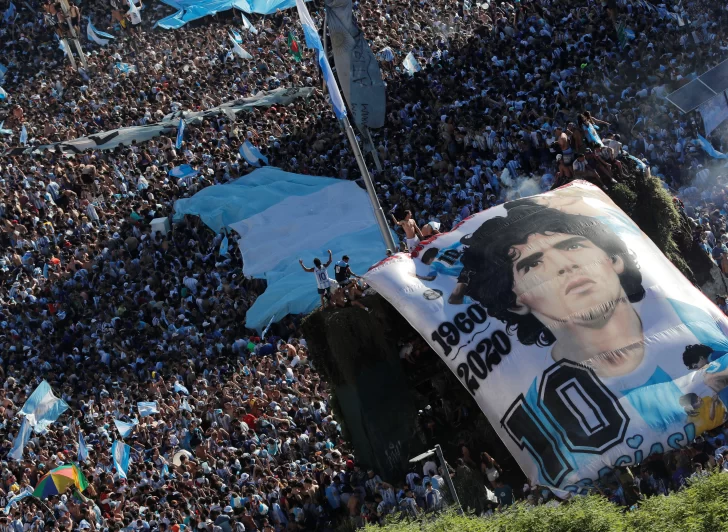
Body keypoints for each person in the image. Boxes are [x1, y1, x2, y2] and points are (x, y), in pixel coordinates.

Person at [459, 202, 646, 377]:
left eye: (572, 246)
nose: (563, 265)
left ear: (614, 259)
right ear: (514, 302)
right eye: (532, 264)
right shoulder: (530, 395)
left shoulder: (674, 303)